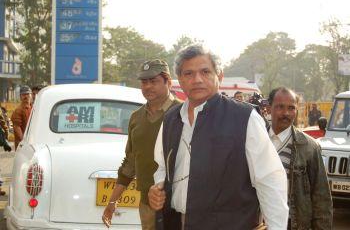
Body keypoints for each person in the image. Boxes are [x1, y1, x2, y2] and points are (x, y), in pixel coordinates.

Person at [148, 45, 288, 230]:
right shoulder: (171, 119)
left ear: (219, 76)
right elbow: (162, 167)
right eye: (188, 73)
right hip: (177, 223)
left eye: (205, 71)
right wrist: (157, 189)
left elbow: (269, 180)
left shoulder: (244, 118)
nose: (197, 79)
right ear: (179, 80)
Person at [102, 59, 181, 230]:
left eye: (154, 81)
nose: (148, 87)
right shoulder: (136, 118)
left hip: (178, 206)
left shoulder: (182, 113)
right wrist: (112, 202)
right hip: (147, 204)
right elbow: (129, 164)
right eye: (144, 82)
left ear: (168, 81)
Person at [268, 87, 332, 230]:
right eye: (280, 107)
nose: (286, 113)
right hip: (261, 223)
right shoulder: (256, 141)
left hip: (293, 224)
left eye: (291, 108)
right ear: (268, 108)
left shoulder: (309, 147)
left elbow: (321, 197)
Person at [11, 85, 32, 150]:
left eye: (27, 94)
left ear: (31, 95)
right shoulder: (18, 110)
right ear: (20, 97)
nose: (26, 96)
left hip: (31, 144)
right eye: (23, 94)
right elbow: (17, 127)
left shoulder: (32, 108)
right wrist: (24, 142)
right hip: (22, 146)